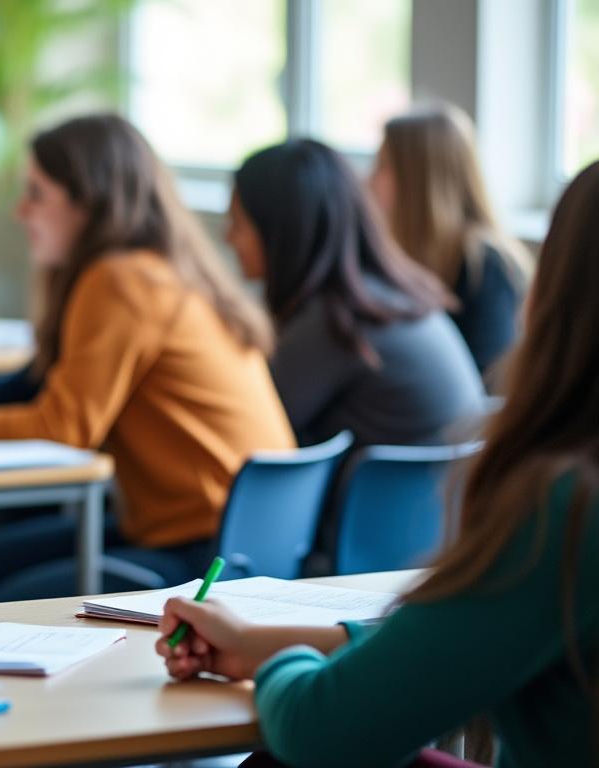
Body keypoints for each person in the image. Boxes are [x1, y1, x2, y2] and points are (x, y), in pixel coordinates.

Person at [156, 158, 599, 768]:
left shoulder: (568, 509)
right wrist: (260, 643)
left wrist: (279, 660)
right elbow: (453, 644)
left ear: (559, 295)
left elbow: (318, 728)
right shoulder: (406, 304)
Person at [0, 114, 295, 599]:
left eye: (37, 194)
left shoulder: (122, 280)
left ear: (88, 202)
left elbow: (64, 426)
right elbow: (36, 382)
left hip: (203, 554)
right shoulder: (162, 270)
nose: (21, 212)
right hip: (235, 536)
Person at [227, 139, 485, 447]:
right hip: (439, 493)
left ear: (282, 234)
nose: (227, 237)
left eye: (238, 224)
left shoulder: (337, 320)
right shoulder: (387, 295)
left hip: (381, 494)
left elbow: (246, 424)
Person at [370, 104, 534, 377]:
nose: (371, 179)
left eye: (383, 166)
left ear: (418, 180)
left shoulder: (485, 265)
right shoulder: (405, 250)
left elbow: (489, 382)